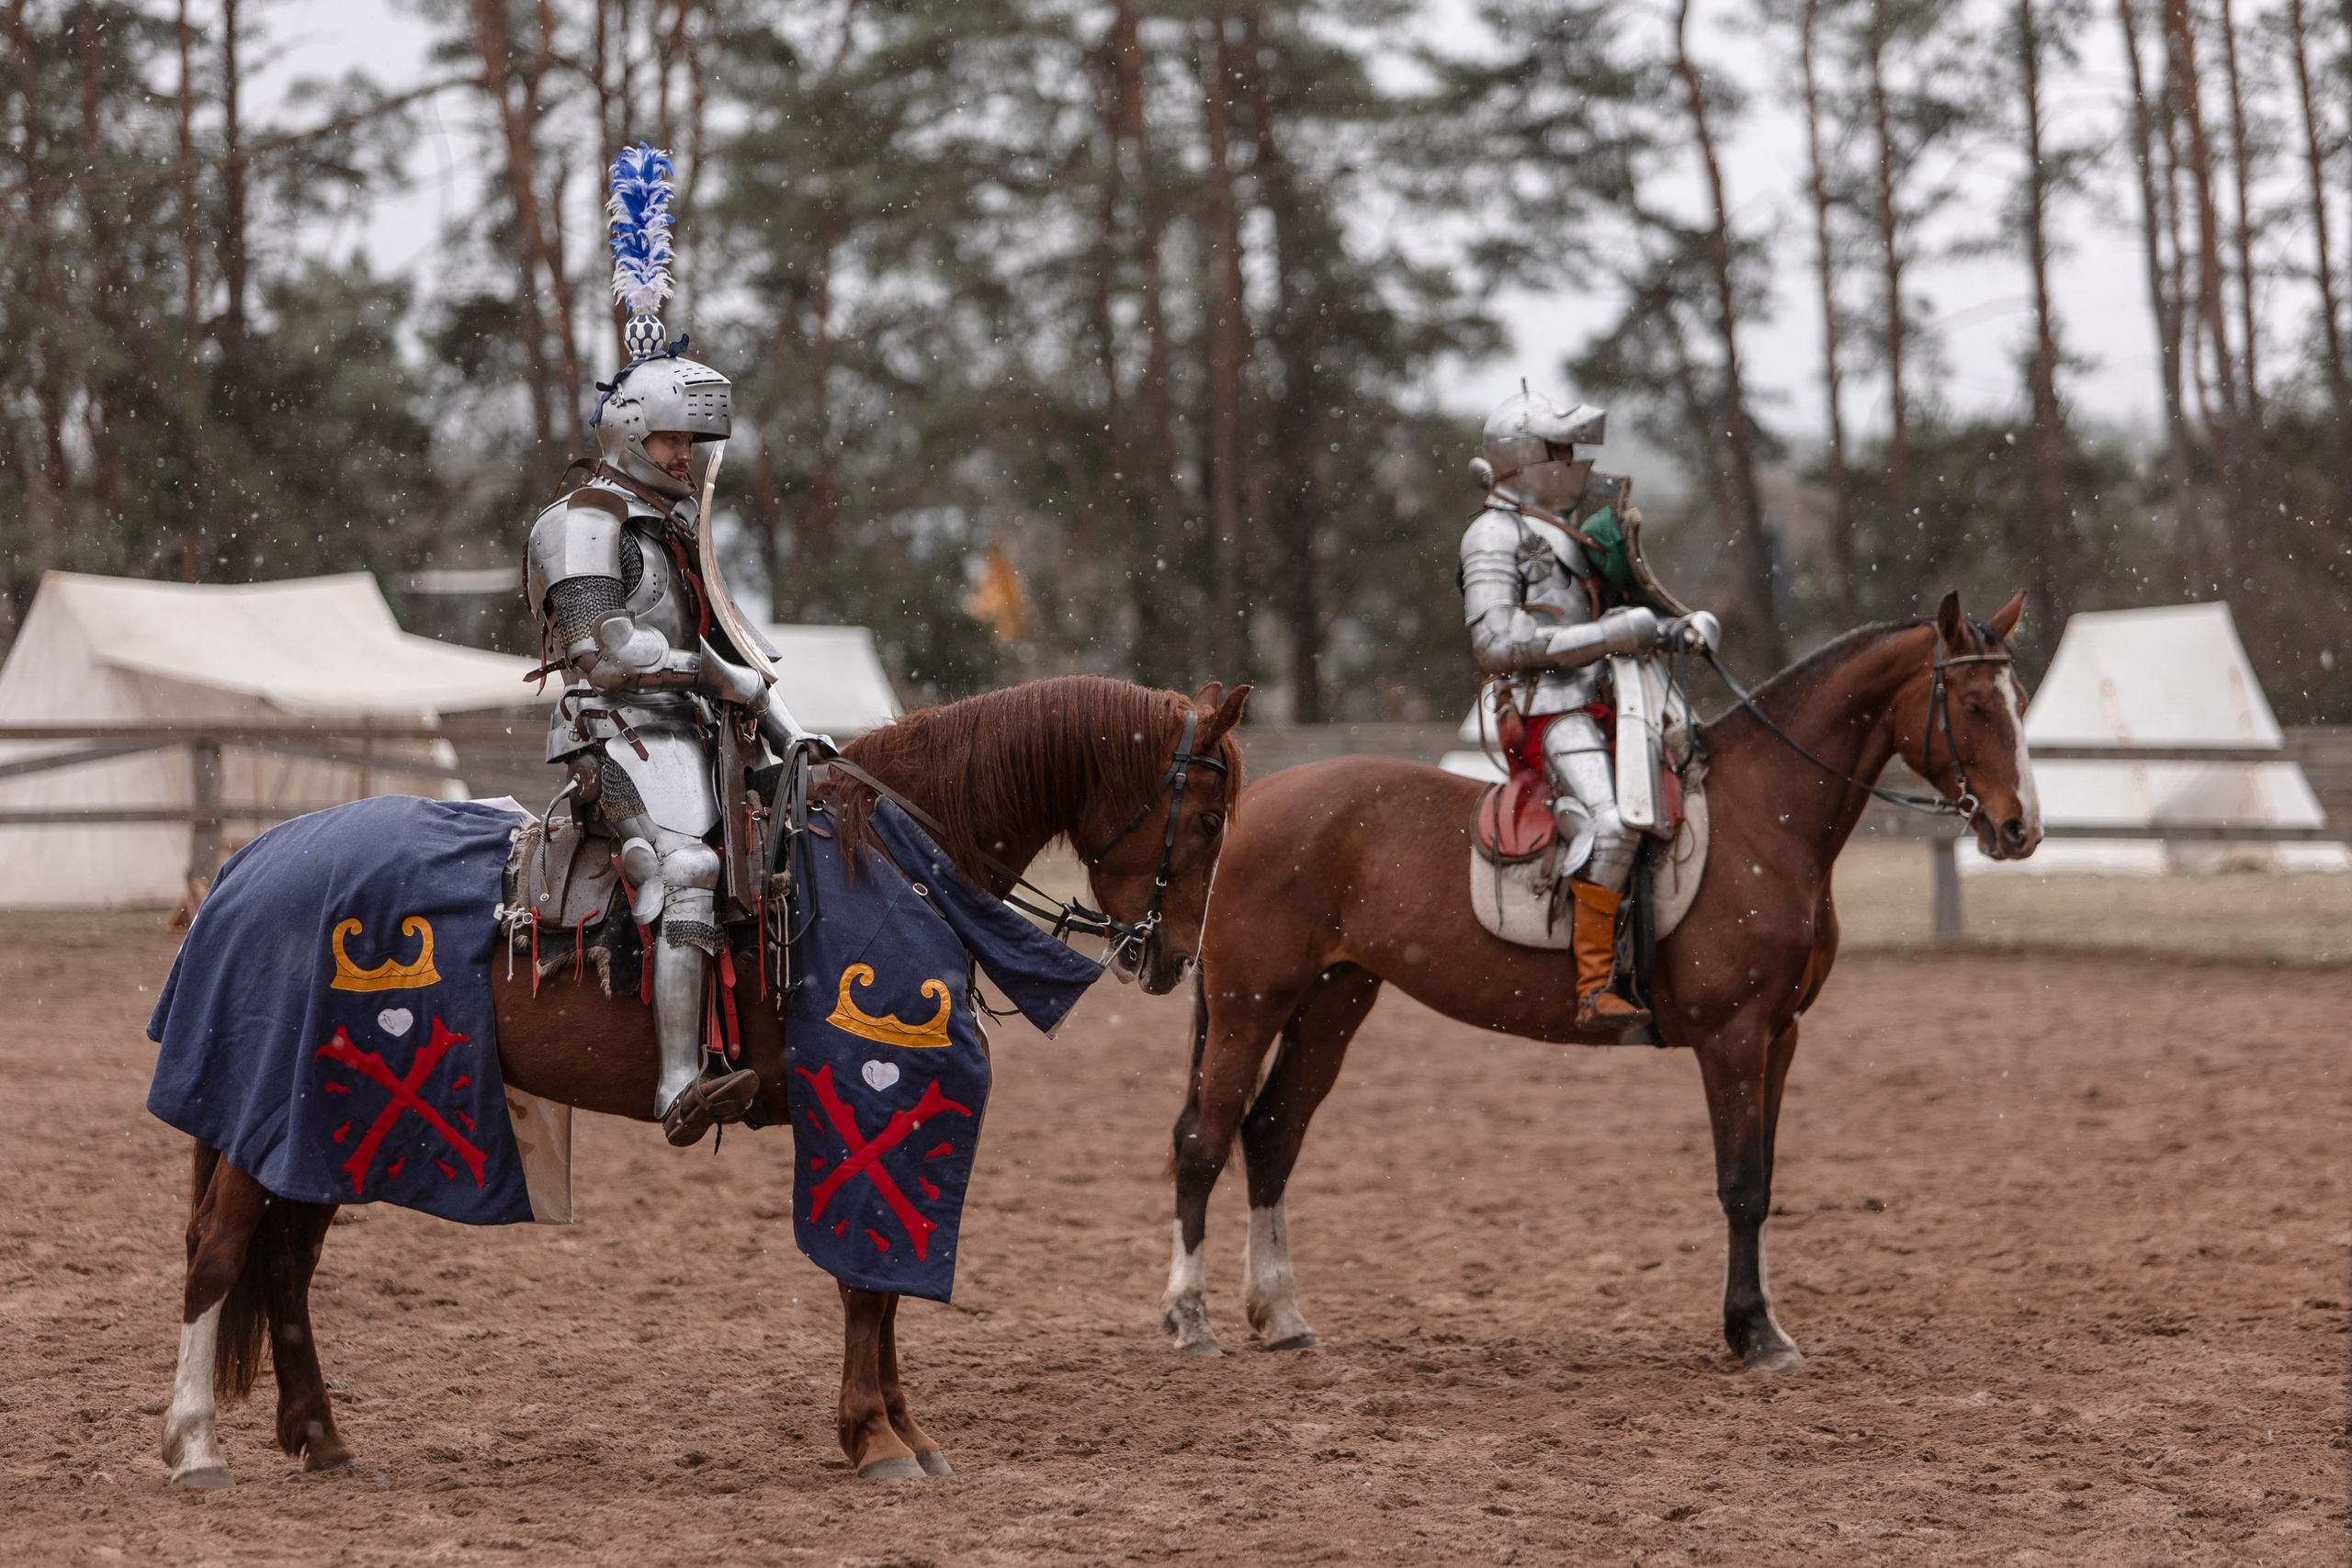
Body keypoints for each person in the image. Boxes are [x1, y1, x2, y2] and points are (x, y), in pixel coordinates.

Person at [523, 143, 828, 1145]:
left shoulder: (679, 531)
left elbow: (739, 650)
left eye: (692, 443)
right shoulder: (584, 523)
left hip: (698, 733)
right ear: (629, 436)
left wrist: (796, 736)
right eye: (669, 441)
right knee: (685, 869)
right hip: (612, 731)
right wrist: (707, 674)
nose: (684, 456)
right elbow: (603, 652)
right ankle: (677, 1082)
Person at [1458, 387, 1718, 1030]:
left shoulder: (1565, 532)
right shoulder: (1492, 533)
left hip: (1612, 699)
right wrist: (1613, 634)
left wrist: (1675, 629)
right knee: (1613, 821)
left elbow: (1618, 617)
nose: (1572, 461)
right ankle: (1594, 985)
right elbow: (1495, 644)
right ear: (1524, 455)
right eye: (1560, 449)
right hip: (1547, 709)